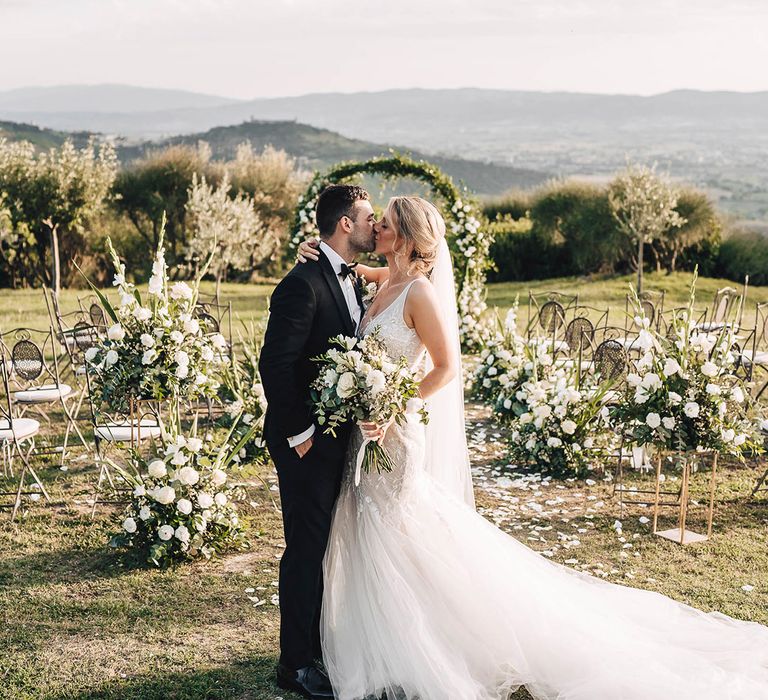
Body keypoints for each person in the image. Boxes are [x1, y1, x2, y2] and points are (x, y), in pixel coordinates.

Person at [296, 196, 768, 700]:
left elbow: (445, 368)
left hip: (397, 432)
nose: (378, 230)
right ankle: (375, 635)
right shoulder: (381, 279)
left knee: (400, 531)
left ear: (406, 239)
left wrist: (393, 404)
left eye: (385, 225)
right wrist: (314, 251)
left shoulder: (419, 294)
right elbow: (348, 264)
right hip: (366, 440)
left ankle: (427, 640)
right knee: (372, 531)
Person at [258, 184, 376, 698]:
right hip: (306, 441)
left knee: (323, 546)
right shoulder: (302, 284)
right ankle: (295, 665)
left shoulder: (349, 278)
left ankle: (317, 645)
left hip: (338, 441)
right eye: (369, 217)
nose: (376, 226)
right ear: (345, 224)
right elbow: (276, 365)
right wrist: (301, 434)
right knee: (305, 551)